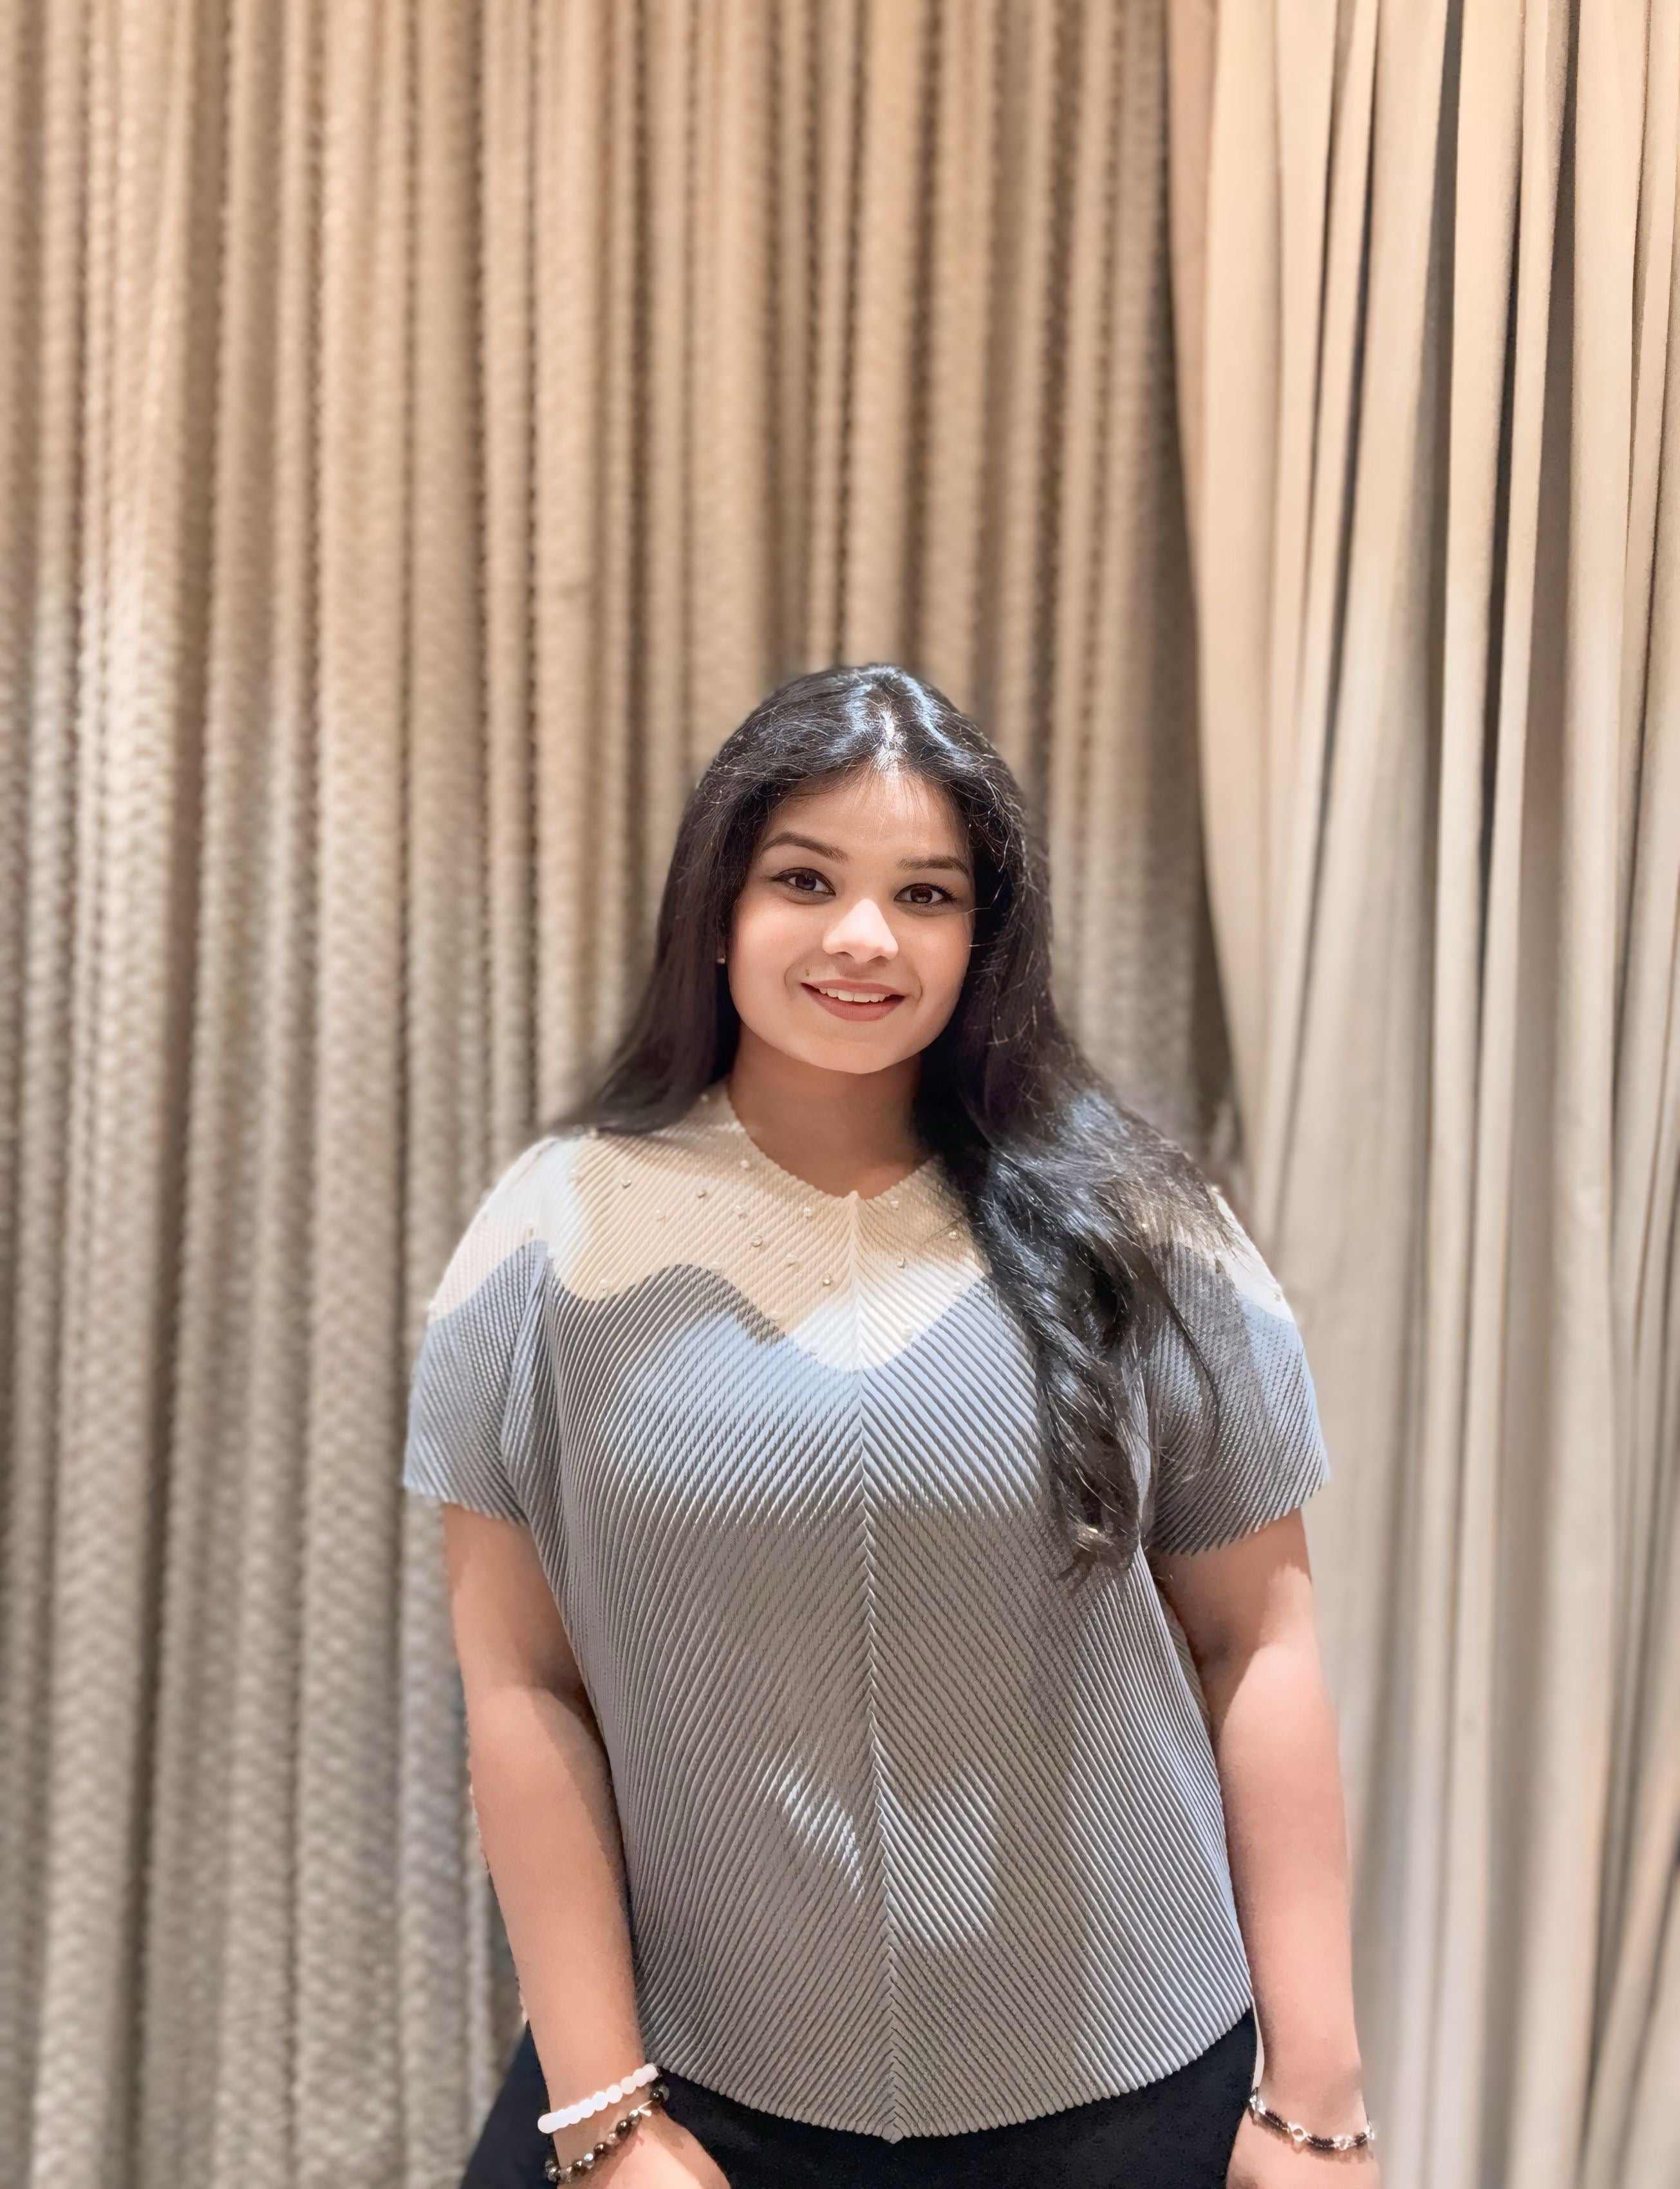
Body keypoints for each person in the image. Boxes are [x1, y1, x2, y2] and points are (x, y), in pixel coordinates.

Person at [404, 665, 1379, 2189]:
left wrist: (1317, 2099)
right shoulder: (550, 1241)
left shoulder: (1144, 1230)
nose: (865, 936)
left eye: (925, 894)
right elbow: (523, 1686)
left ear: (984, 938)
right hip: (691, 2097)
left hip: (1120, 2097)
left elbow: (1258, 1642)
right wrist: (603, 2119)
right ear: (717, 909)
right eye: (806, 879)